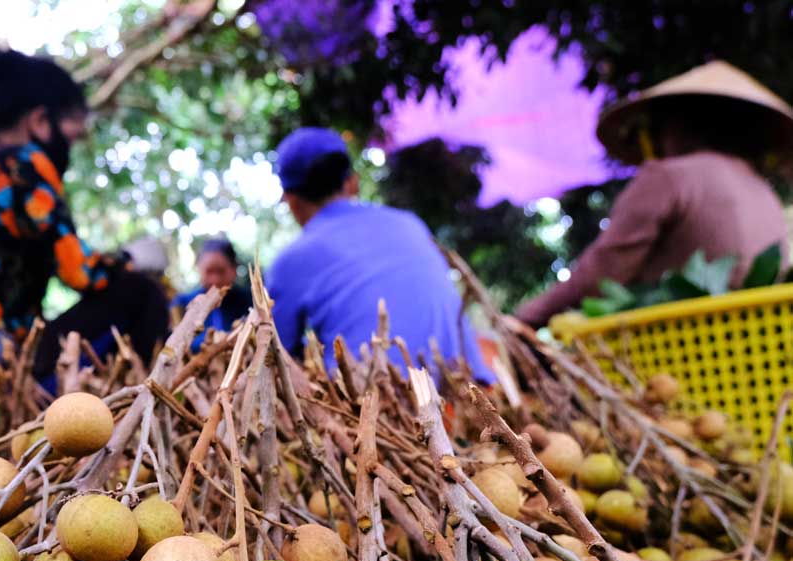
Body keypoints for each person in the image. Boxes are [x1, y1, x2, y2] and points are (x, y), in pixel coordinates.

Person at [0, 47, 167, 376]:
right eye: (73, 134)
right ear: (40, 121)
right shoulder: (24, 164)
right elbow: (80, 273)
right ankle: (140, 399)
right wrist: (132, 259)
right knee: (142, 294)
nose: (73, 146)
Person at [516, 61, 792, 327]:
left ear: (677, 125)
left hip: (685, 347)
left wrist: (522, 319)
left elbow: (602, 274)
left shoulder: (670, 176)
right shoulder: (763, 191)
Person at [265, 127, 492, 380]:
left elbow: (277, 361)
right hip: (473, 392)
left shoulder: (290, 262)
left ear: (292, 200)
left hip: (381, 409)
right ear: (352, 182)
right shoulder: (410, 223)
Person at [173, 237, 254, 335]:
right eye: (209, 271)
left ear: (234, 269)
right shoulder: (182, 304)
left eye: (221, 271)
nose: (215, 280)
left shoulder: (251, 301)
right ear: (198, 268)